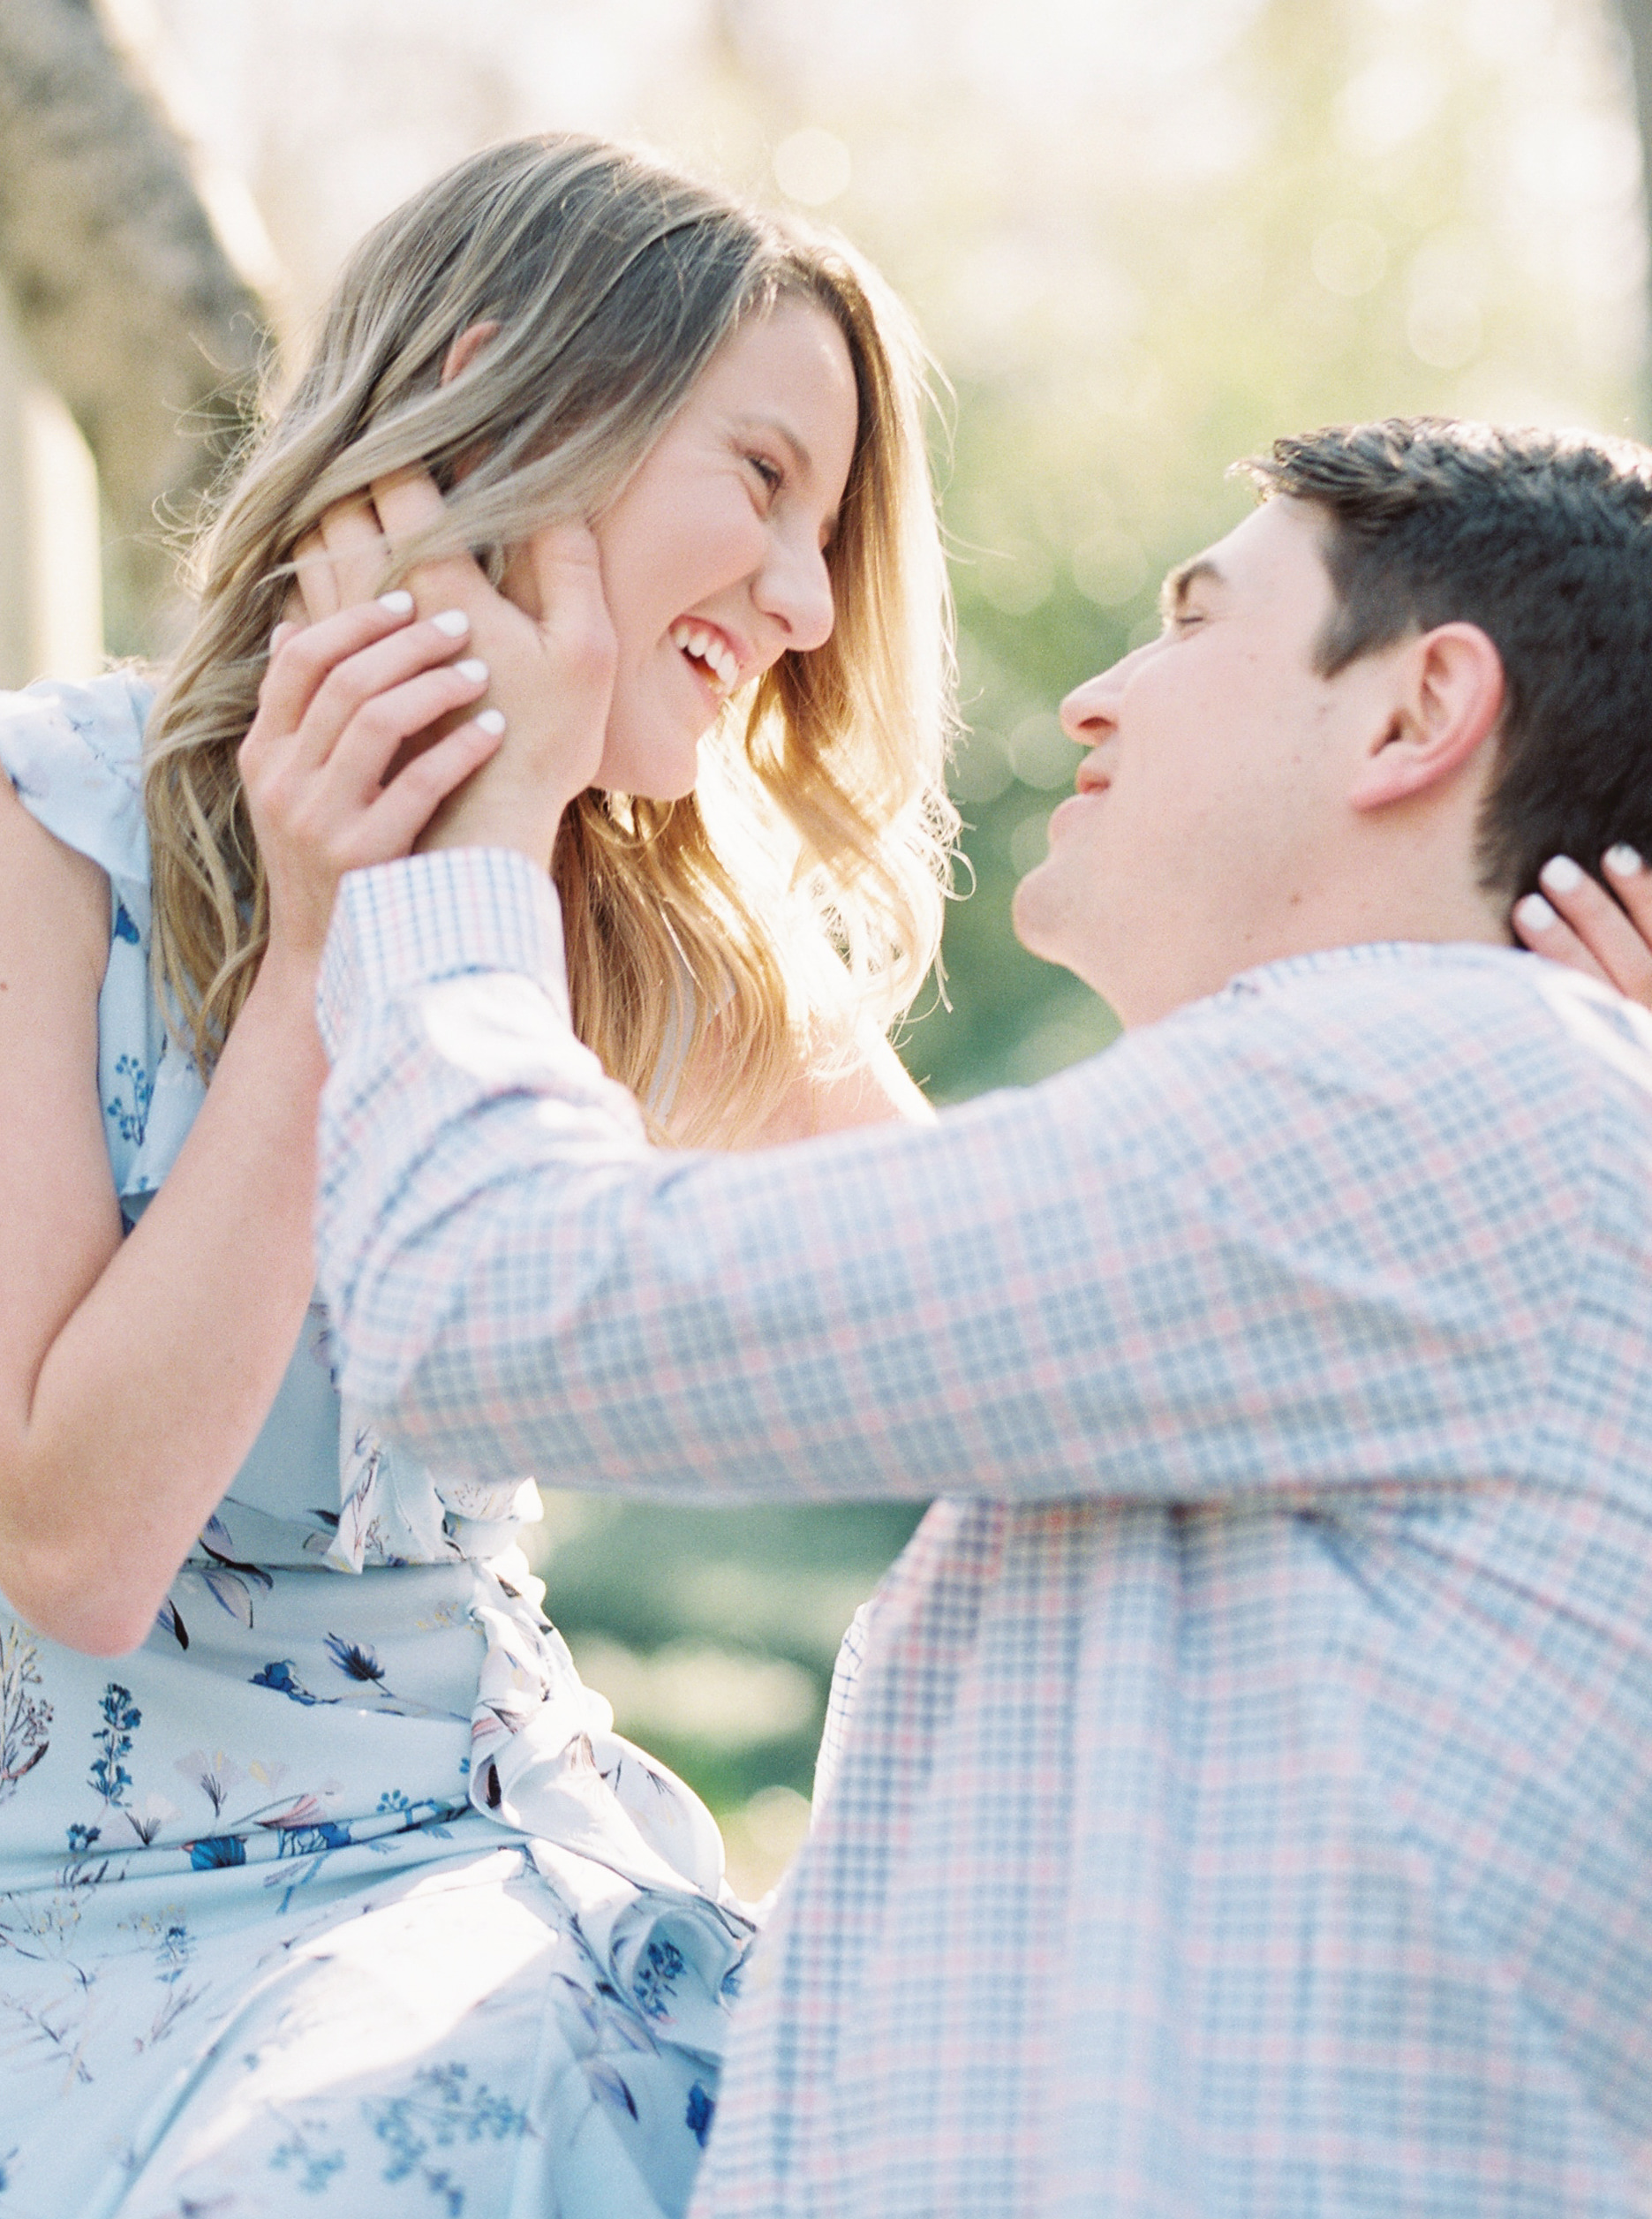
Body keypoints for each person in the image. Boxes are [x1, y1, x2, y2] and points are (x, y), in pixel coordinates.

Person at [313, 416, 1652, 2216]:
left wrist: (461, 838)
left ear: (1417, 714)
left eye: (1191, 622)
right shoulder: (1427, 1185)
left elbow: (497, 1314)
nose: (1097, 697)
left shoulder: (1452, 1083)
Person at [0, 134, 955, 2217]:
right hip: (98, 1963)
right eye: (768, 484)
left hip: (521, 1898)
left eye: (832, 535)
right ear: (505, 409)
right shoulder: (42, 834)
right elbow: (74, 1543)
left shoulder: (660, 929)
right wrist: (339, 944)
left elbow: (1024, 1337)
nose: (803, 604)